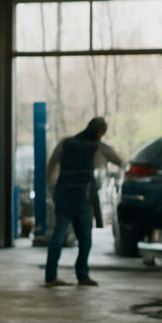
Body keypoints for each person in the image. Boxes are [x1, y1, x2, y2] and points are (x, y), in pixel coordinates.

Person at [43, 117, 124, 287]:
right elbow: (118, 160)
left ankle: (51, 276)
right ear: (100, 132)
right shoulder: (98, 147)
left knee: (58, 235)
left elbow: (51, 165)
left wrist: (50, 187)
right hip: (82, 196)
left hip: (63, 193)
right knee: (85, 239)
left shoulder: (66, 143)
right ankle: (82, 275)